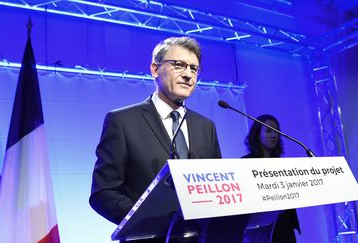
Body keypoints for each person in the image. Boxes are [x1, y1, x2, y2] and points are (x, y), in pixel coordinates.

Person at [89, 36, 222, 242]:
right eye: (179, 65)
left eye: (194, 69)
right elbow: (103, 194)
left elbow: (218, 188)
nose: (188, 75)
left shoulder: (206, 126)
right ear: (154, 69)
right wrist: (155, 224)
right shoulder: (122, 121)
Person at [242, 114, 301, 243]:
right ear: (258, 133)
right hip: (258, 230)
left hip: (284, 227)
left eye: (276, 131)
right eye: (269, 131)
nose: (274, 135)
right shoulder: (244, 163)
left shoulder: (283, 164)